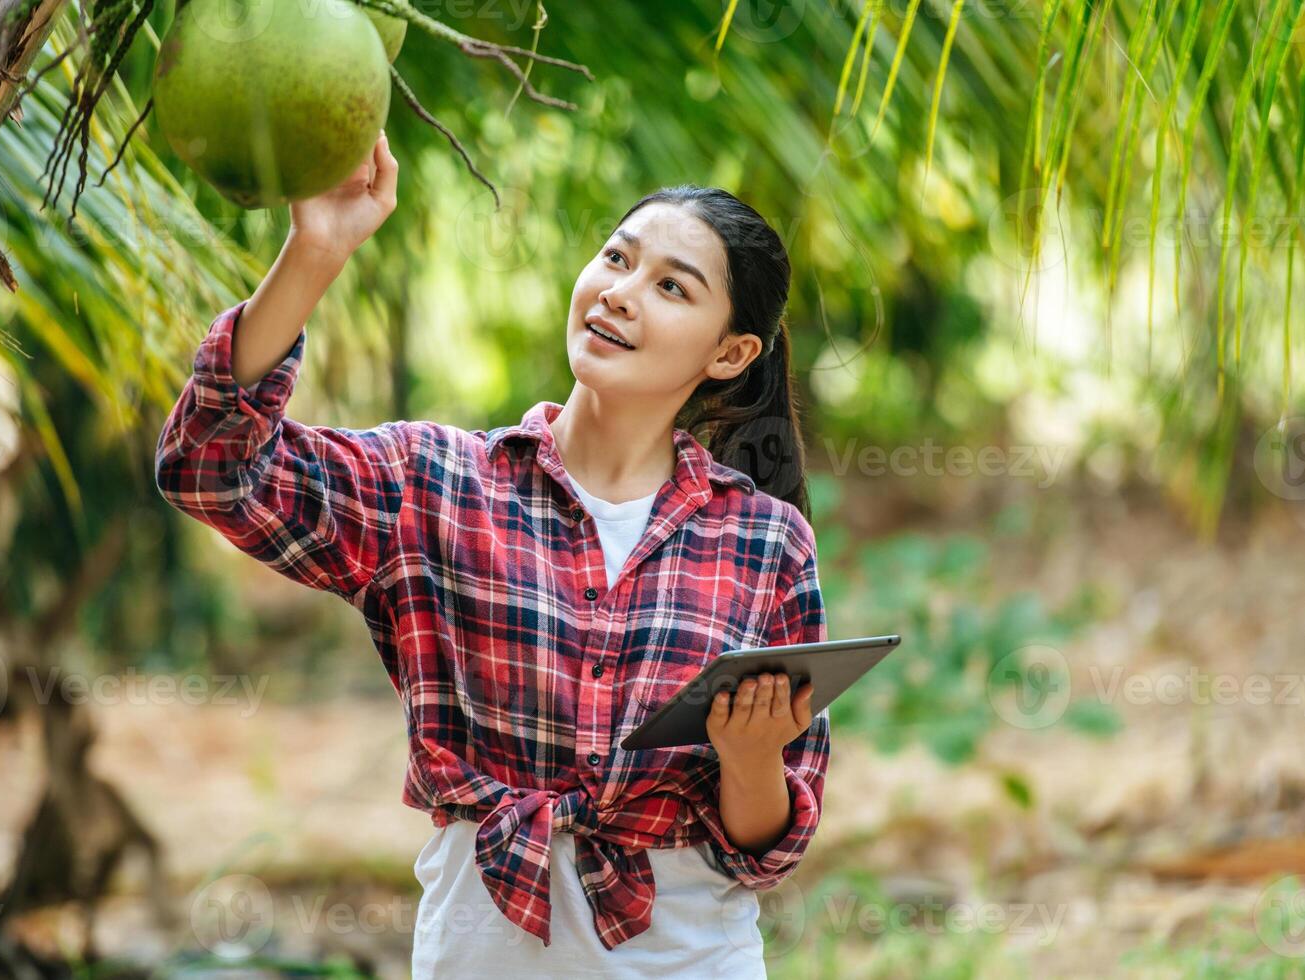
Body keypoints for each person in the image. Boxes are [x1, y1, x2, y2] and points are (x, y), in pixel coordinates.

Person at [155, 129, 830, 978]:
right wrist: (314, 252)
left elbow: (765, 853)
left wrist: (748, 754)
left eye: (669, 287)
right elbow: (209, 469)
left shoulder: (763, 542)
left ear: (729, 354)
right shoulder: (434, 483)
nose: (620, 293)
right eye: (616, 258)